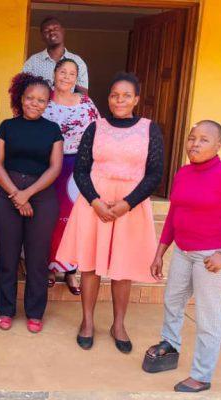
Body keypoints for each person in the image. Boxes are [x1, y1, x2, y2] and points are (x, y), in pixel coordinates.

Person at [143, 120, 221, 393]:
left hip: (212, 257)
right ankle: (170, 345)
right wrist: (160, 252)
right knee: (173, 300)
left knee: (207, 316)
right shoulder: (183, 173)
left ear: (218, 145)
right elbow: (174, 214)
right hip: (183, 252)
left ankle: (201, 375)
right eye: (192, 138)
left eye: (204, 140)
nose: (195, 144)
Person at [57, 72, 164, 353]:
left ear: (136, 99)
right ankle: (87, 322)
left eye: (126, 95)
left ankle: (118, 325)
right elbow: (81, 170)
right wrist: (95, 201)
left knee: (122, 267)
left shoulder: (150, 129)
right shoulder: (95, 128)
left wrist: (127, 203)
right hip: (95, 205)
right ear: (108, 98)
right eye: (115, 95)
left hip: (130, 208)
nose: (120, 100)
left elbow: (155, 174)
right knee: (90, 265)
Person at [0, 73, 62, 334]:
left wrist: (28, 193)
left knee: (37, 258)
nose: (34, 103)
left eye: (41, 100)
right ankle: (5, 309)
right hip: (7, 194)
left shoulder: (52, 130)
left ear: (47, 104)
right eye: (30, 98)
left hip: (42, 197)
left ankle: (35, 312)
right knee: (7, 256)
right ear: (20, 98)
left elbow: (55, 168)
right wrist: (15, 194)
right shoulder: (7, 127)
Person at [42, 58, 99, 295]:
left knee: (74, 219)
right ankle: (50, 267)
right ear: (54, 73)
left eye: (71, 74)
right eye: (62, 72)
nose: (66, 77)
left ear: (77, 78)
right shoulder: (43, 99)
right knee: (50, 217)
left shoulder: (86, 103)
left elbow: (98, 133)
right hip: (48, 165)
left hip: (77, 167)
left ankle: (71, 271)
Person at [23, 17, 88, 94]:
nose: (52, 32)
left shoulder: (77, 61)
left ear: (63, 31)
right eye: (46, 31)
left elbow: (83, 95)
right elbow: (23, 91)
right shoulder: (33, 62)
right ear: (42, 37)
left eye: (56, 28)